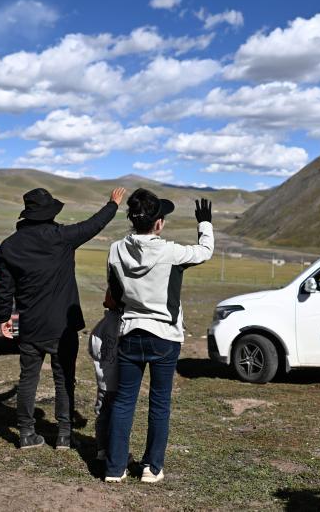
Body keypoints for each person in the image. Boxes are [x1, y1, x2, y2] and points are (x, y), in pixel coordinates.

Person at [0, 186, 127, 450]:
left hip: (30, 324)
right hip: (62, 326)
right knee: (64, 378)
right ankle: (64, 435)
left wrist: (4, 316)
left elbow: (5, 287)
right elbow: (93, 225)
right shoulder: (61, 237)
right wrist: (112, 204)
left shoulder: (9, 246)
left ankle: (26, 433)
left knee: (28, 379)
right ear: (50, 214)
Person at [104, 189, 213, 483]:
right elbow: (205, 252)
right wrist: (205, 224)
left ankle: (115, 468)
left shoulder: (115, 250)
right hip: (165, 335)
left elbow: (114, 291)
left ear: (132, 219)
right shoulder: (171, 252)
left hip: (130, 332)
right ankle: (152, 468)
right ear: (159, 223)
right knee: (160, 402)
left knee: (124, 401)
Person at [87, 289, 123, 461]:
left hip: (103, 379)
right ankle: (114, 450)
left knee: (102, 413)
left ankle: (101, 448)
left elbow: (92, 349)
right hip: (119, 381)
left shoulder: (101, 325)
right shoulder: (124, 325)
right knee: (118, 415)